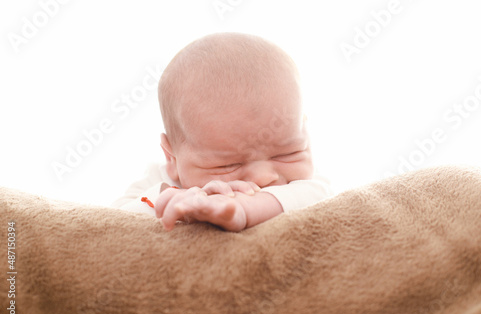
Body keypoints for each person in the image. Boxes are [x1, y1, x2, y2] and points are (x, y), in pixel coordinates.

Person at [112, 32, 333, 232]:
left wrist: (245, 208)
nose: (263, 177)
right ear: (172, 158)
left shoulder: (309, 182)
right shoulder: (160, 180)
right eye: (228, 165)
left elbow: (319, 197)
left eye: (288, 153)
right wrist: (169, 200)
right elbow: (112, 222)